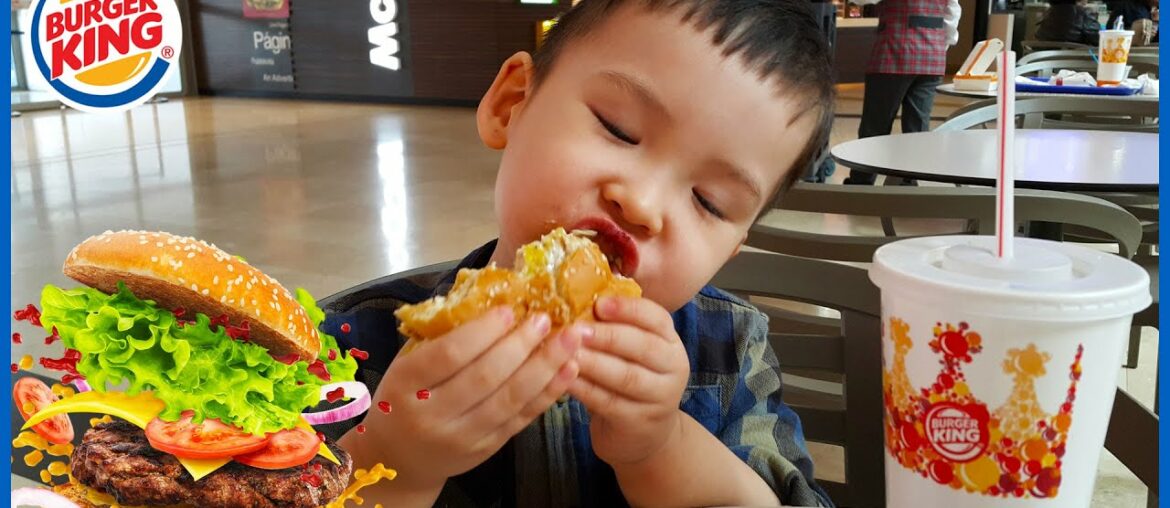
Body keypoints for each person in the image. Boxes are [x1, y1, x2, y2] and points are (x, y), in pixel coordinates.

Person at [320, 0, 837, 506]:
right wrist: (395, 462)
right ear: (511, 104)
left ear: (730, 250)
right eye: (619, 129)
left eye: (710, 202)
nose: (642, 204)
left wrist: (662, 447)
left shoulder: (731, 348)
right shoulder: (340, 348)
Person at [843, 0, 961, 185]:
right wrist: (939, 44)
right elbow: (952, 15)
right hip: (931, 58)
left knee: (875, 127)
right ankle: (910, 185)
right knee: (918, 129)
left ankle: (861, 183)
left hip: (893, 54)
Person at [1035, 0, 1103, 45]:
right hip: (1075, 62)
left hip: (1044, 62)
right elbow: (1099, 40)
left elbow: (1038, 37)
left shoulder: (1048, 16)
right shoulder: (1083, 14)